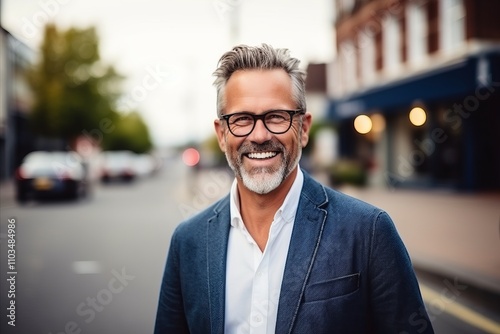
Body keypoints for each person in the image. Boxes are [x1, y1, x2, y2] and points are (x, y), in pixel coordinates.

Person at [154, 44, 434, 334]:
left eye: (276, 116)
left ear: (303, 128)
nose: (259, 135)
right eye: (242, 119)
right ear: (222, 135)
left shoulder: (369, 232)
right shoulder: (188, 242)